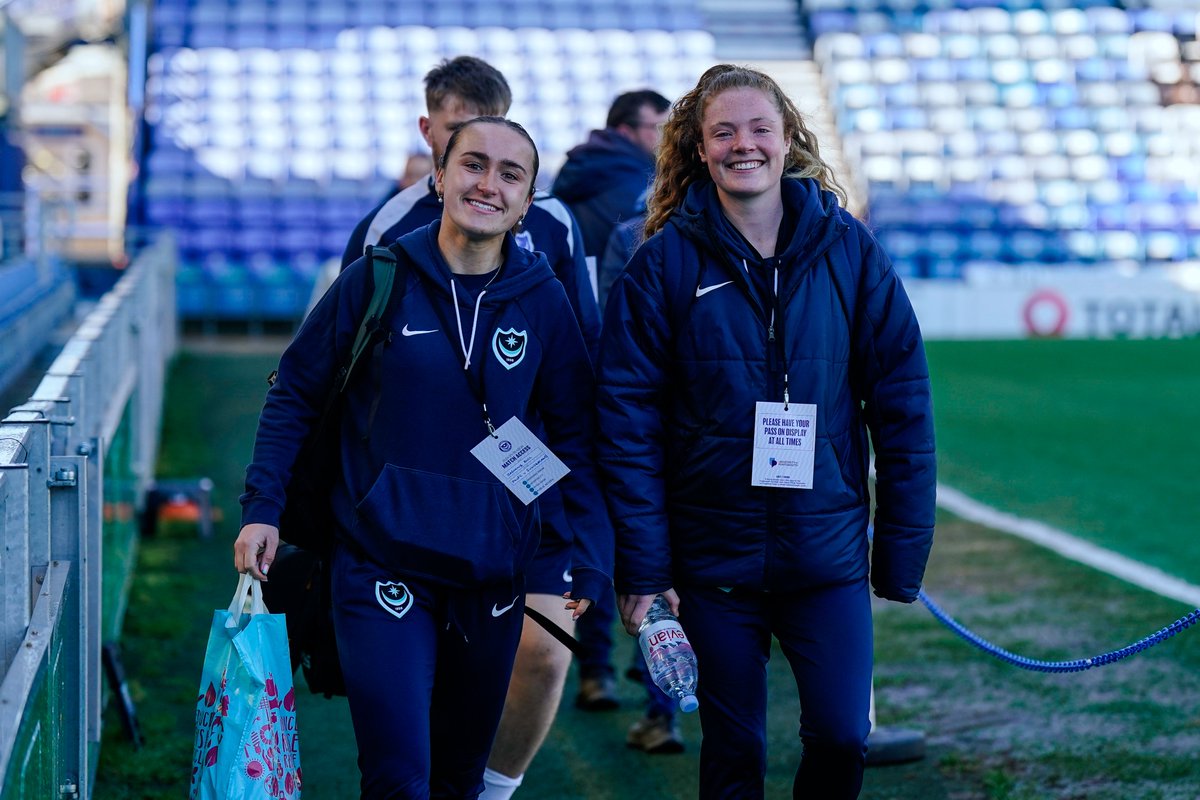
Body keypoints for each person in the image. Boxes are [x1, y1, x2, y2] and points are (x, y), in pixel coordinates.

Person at [235, 116, 612, 799]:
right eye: (473, 165)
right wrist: (262, 509)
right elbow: (292, 393)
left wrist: (587, 551)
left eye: (510, 174)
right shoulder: (376, 279)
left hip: (492, 573)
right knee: (399, 779)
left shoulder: (544, 299)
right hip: (381, 563)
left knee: (458, 782)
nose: (487, 184)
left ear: (527, 203)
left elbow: (576, 437)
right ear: (438, 177)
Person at [595, 64, 937, 799]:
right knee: (734, 749)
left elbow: (903, 404)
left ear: (788, 141)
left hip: (827, 552)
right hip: (711, 559)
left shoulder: (850, 251)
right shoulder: (662, 263)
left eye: (758, 129)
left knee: (844, 737)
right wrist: (647, 573)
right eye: (723, 132)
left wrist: (900, 553)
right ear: (698, 149)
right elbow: (626, 425)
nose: (742, 145)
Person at [338, 56, 602, 800]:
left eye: (501, 158)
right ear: (434, 141)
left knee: (546, 653)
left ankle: (491, 790)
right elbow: (337, 369)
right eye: (462, 146)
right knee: (411, 696)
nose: (482, 175)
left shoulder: (552, 223)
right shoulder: (387, 228)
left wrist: (579, 511)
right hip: (407, 499)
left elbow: (579, 355)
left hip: (523, 489)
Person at [551, 89, 670, 311]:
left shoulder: (573, 169)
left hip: (569, 300)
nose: (666, 136)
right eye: (657, 128)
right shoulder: (641, 182)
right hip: (617, 307)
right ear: (625, 132)